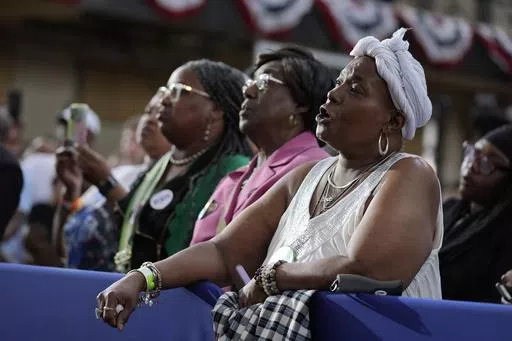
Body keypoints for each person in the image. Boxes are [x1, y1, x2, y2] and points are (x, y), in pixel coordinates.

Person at [97, 28, 441, 335]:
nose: (334, 95)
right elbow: (223, 251)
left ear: (393, 121)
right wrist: (143, 278)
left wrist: (273, 278)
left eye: (355, 89)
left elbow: (367, 269)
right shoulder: (306, 177)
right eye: (338, 83)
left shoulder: (408, 174)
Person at [64, 60, 253, 273]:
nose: (163, 100)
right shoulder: (162, 164)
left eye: (179, 91)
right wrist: (99, 183)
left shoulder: (235, 171)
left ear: (216, 109)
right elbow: (135, 223)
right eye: (165, 91)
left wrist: (106, 181)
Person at [190, 47, 332, 245]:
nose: (248, 91)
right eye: (249, 83)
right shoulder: (234, 179)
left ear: (301, 102)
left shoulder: (316, 169)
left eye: (263, 82)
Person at [53, 90, 172, 271]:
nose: (150, 120)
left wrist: (106, 183)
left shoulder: (171, 185)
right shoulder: (122, 173)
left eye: (159, 115)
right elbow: (63, 244)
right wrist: (71, 191)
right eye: (148, 112)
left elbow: (146, 236)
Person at [440, 125, 512, 303]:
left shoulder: (506, 235)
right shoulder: (447, 209)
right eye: (473, 153)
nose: (471, 166)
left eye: (486, 163)